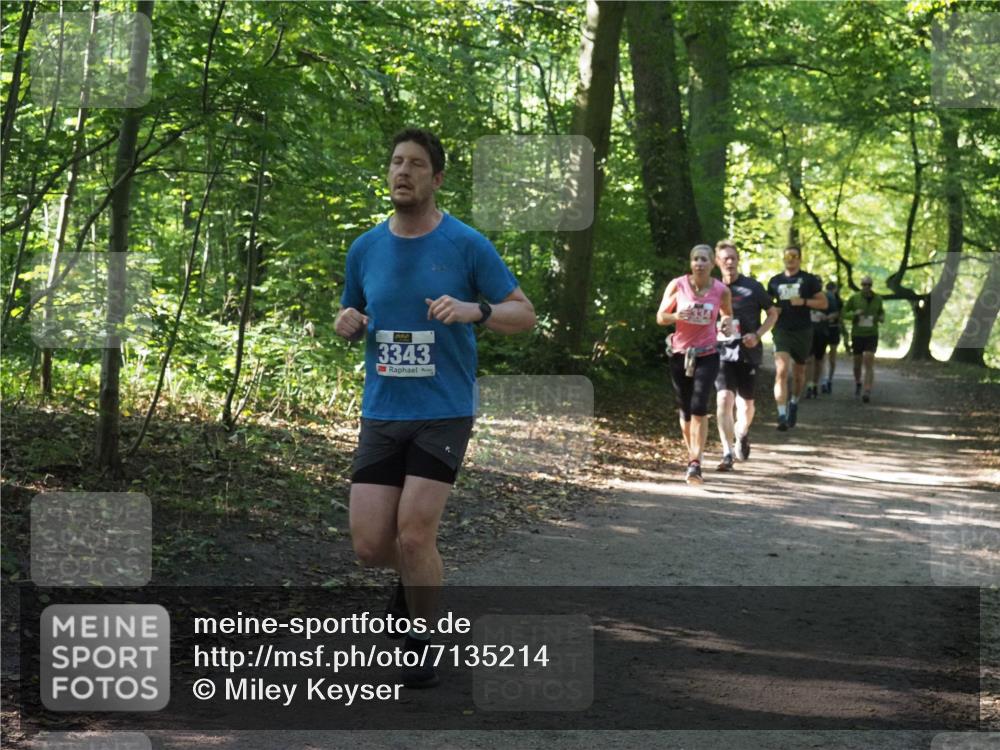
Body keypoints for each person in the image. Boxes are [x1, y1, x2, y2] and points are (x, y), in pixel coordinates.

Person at [335, 128, 536, 687]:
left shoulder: (466, 244)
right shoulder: (365, 247)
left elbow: (525, 315)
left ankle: (419, 643)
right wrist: (345, 322)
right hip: (382, 409)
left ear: (437, 178)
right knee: (372, 545)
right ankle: (418, 584)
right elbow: (352, 311)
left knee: (416, 535)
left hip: (443, 409)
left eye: (416, 165)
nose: (403, 172)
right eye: (396, 162)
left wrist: (477, 310)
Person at [657, 244, 734, 484]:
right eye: (695, 259)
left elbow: (727, 315)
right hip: (680, 353)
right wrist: (678, 315)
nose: (699, 263)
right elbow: (661, 317)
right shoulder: (677, 285)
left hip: (708, 353)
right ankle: (692, 453)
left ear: (713, 264)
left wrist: (726, 324)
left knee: (700, 405)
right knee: (685, 409)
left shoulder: (721, 290)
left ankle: (695, 462)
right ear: (691, 263)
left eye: (704, 260)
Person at [713, 241, 779, 471]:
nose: (729, 262)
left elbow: (772, 313)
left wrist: (758, 335)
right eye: (725, 258)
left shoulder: (753, 287)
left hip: (748, 351)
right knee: (723, 399)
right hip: (721, 352)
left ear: (738, 259)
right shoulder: (712, 289)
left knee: (746, 405)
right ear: (717, 262)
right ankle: (727, 452)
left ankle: (742, 433)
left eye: (733, 257)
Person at [767, 247, 827, 431]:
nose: (790, 259)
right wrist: (773, 310)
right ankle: (782, 414)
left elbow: (823, 303)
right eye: (787, 256)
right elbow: (767, 304)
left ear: (800, 259)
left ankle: (794, 402)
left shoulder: (809, 280)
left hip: (803, 331)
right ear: (783, 258)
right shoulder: (775, 281)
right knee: (782, 371)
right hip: (782, 330)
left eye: (794, 256)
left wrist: (804, 302)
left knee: (799, 373)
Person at [842, 275, 885, 403]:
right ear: (861, 285)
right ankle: (858, 382)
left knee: (869, 359)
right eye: (864, 284)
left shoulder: (878, 299)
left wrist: (881, 317)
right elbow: (843, 313)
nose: (866, 287)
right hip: (857, 334)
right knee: (857, 363)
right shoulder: (854, 298)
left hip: (871, 333)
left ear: (872, 286)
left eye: (869, 285)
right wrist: (854, 314)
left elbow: (881, 312)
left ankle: (867, 390)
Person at [804, 276, 828, 399]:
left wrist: (825, 317)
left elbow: (835, 313)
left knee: (819, 360)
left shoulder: (827, 298)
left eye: (819, 283)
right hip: (807, 333)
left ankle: (815, 384)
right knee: (808, 360)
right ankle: (809, 385)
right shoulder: (806, 298)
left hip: (821, 333)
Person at [821, 281, 843, 394]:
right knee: (830, 357)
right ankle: (828, 379)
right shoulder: (836, 300)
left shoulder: (834, 300)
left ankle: (826, 380)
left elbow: (840, 314)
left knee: (825, 357)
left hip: (828, 329)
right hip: (832, 329)